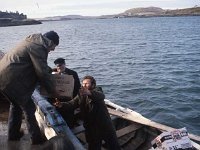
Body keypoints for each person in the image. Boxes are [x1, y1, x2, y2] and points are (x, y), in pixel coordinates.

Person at [0, 31, 59, 145]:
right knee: (29, 109)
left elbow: (39, 65)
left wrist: (49, 70)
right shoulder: (39, 47)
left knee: (16, 105)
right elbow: (41, 72)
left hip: (4, 78)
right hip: (12, 81)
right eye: (54, 47)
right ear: (50, 42)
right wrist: (53, 91)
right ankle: (36, 139)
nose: (53, 50)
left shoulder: (31, 41)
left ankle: (13, 135)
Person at [54, 76, 121, 150]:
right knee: (93, 147)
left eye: (86, 84)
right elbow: (72, 104)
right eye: (83, 84)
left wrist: (89, 93)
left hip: (105, 126)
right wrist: (61, 105)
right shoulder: (81, 95)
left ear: (93, 85)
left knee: (114, 146)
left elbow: (101, 96)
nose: (84, 85)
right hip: (91, 127)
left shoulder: (98, 90)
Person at [51, 58, 81, 127]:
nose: (59, 67)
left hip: (69, 97)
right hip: (57, 97)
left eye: (61, 65)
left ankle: (71, 125)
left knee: (70, 113)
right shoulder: (53, 73)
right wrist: (56, 75)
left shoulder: (73, 73)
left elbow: (77, 86)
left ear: (64, 64)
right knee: (59, 112)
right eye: (57, 66)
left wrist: (76, 99)